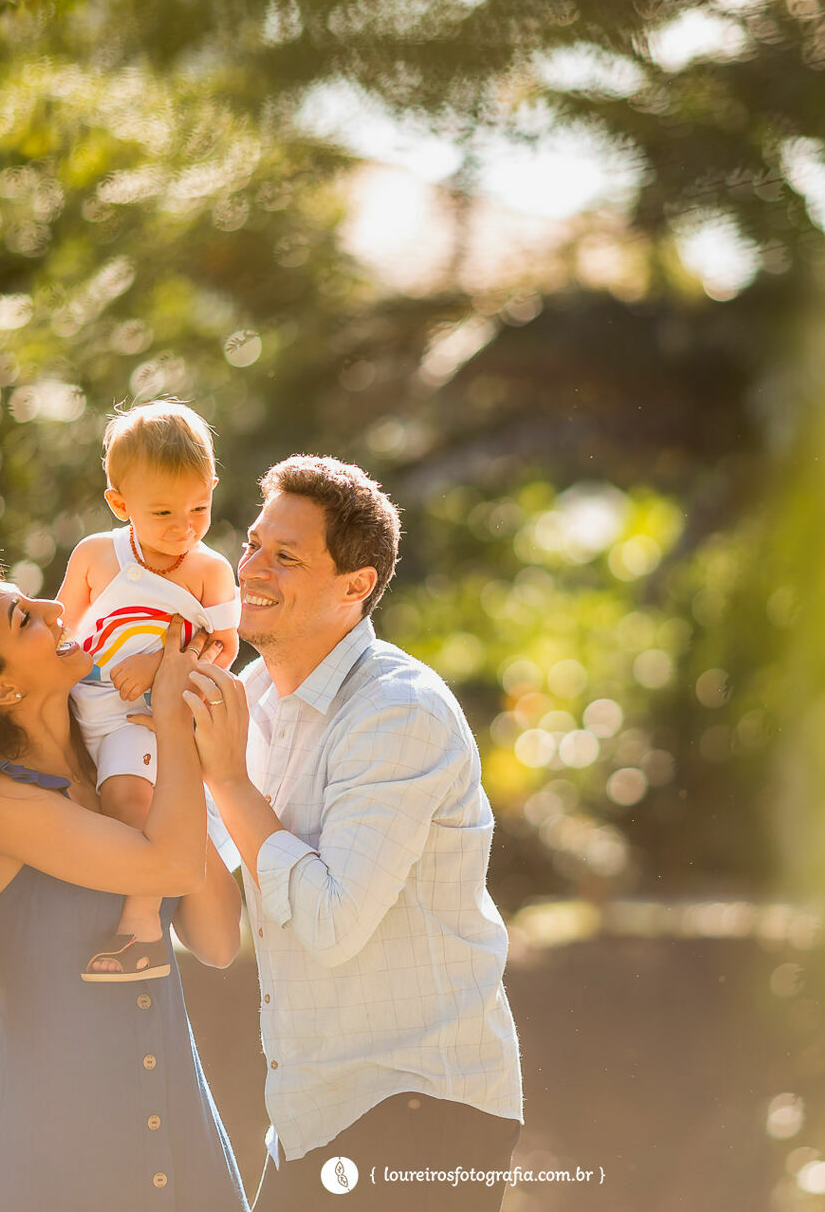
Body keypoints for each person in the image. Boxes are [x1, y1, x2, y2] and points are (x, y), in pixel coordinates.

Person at [187, 455, 525, 1211]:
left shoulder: (398, 712)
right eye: (253, 545)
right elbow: (209, 922)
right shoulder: (248, 700)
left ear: (355, 586)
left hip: (420, 1109)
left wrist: (229, 781)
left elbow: (333, 923)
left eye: (286, 557)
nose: (251, 569)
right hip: (311, 1117)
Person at [0, 558, 250, 1212]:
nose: (56, 609)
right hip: (56, 1170)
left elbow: (216, 940)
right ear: (1, 689)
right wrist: (171, 723)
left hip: (186, 1153)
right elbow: (173, 868)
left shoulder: (117, 770)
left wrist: (167, 750)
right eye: (24, 619)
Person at [57, 399, 241, 982]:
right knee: (100, 811)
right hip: (86, 707)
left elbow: (225, 645)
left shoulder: (210, 570)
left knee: (130, 801)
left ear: (212, 489)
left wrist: (161, 662)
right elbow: (62, 634)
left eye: (199, 507)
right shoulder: (96, 556)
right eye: (163, 512)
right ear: (120, 504)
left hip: (149, 720)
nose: (184, 527)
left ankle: (141, 932)